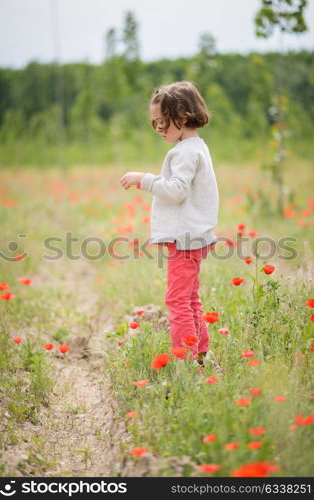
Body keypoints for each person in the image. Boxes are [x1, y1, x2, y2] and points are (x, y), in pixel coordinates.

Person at [120, 81, 222, 372]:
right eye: (155, 124)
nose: (159, 129)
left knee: (177, 300)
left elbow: (177, 190)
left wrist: (144, 179)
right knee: (190, 298)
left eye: (163, 122)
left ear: (183, 116)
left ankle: (186, 362)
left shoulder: (186, 152)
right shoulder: (197, 147)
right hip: (193, 237)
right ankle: (201, 354)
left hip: (185, 239)